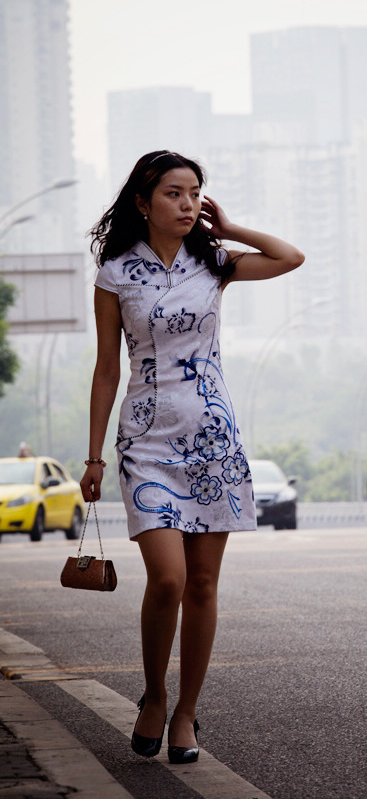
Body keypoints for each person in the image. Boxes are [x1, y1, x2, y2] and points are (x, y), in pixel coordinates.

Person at [80, 150, 304, 763]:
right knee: (169, 578)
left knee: (203, 583)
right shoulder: (116, 274)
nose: (187, 203)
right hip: (146, 440)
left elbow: (290, 258)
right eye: (174, 193)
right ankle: (154, 695)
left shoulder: (216, 264)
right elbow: (106, 368)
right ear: (142, 203)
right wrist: (94, 457)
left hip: (213, 437)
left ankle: (184, 714)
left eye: (195, 193)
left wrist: (226, 230)